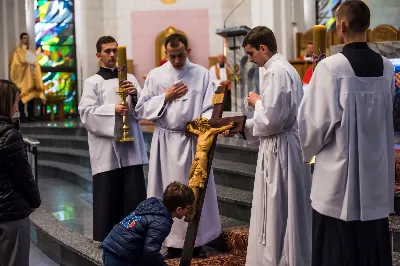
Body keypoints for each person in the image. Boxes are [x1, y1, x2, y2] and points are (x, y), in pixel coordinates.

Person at [298, 1, 395, 265]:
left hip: (338, 185)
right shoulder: (387, 68)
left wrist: (305, 151)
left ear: (341, 26)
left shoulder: (330, 68)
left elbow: (313, 126)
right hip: (375, 182)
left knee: (336, 254)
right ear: (368, 26)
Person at [226, 26, 312, 266]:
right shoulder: (286, 69)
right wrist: (244, 127)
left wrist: (256, 102)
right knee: (282, 208)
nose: (251, 59)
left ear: (263, 48)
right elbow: (277, 117)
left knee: (277, 210)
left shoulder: (275, 72)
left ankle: (278, 259)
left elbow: (272, 120)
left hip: (280, 149)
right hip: (284, 144)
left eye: (252, 53)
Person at [135, 33, 220, 259]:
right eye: (172, 56)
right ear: (166, 53)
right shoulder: (156, 75)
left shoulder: (201, 74)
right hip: (166, 141)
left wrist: (202, 125)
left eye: (180, 55)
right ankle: (172, 242)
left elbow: (209, 108)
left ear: (188, 51)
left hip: (192, 141)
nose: (176, 61)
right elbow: (141, 110)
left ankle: (197, 241)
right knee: (168, 192)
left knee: (194, 191)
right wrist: (166, 96)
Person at [78, 36, 148, 242]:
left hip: (131, 149)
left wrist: (135, 95)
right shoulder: (93, 82)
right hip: (107, 151)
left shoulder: (131, 79)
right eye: (107, 51)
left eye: (115, 51)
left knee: (133, 195)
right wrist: (113, 110)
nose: (112, 55)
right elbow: (86, 113)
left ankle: (134, 235)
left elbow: (143, 109)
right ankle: (108, 237)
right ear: (98, 55)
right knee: (109, 197)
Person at [102, 181, 195, 266]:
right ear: (179, 209)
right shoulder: (162, 222)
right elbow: (151, 252)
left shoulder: (152, 204)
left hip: (112, 247)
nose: (188, 211)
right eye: (188, 208)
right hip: (119, 257)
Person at [0, 79, 41, 266]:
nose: (17, 108)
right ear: (6, 102)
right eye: (16, 101)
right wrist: (34, 201)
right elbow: (23, 177)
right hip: (10, 214)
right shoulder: (9, 135)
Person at [9, 32, 46, 121]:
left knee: (31, 97)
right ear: (21, 39)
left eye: (27, 38)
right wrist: (25, 62)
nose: (26, 40)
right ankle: (22, 116)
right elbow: (15, 64)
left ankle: (31, 115)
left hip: (31, 77)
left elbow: (35, 62)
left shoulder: (31, 50)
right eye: (25, 38)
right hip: (22, 78)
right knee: (22, 98)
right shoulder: (18, 51)